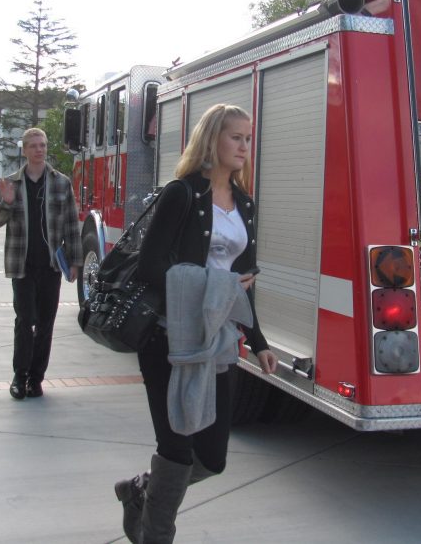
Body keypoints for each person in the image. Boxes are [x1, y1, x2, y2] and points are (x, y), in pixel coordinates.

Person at [115, 104, 278, 543]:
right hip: (169, 339)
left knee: (212, 457)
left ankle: (139, 491)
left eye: (248, 138)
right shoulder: (182, 193)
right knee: (176, 450)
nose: (244, 146)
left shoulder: (244, 202)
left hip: (217, 341)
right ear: (212, 140)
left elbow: (242, 282)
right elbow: (151, 267)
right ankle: (156, 535)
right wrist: (216, 285)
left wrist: (258, 340)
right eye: (235, 137)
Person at [0, 127, 82, 400]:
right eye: (34, 145)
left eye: (43, 144)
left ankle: (36, 378)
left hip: (51, 266)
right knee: (25, 320)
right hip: (23, 265)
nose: (40, 149)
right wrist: (5, 203)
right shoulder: (11, 183)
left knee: (46, 324)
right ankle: (20, 376)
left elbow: (71, 225)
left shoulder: (61, 183)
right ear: (25, 150)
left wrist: (75, 261)